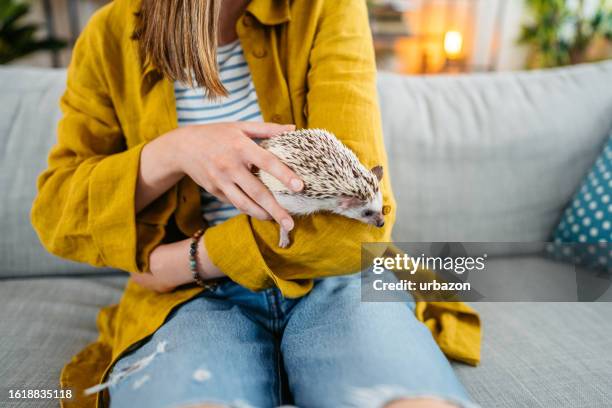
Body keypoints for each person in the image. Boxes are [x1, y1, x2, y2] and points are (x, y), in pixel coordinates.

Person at [31, 0, 479, 407]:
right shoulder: (108, 36)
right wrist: (173, 152)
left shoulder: (326, 8)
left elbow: (359, 228)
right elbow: (57, 215)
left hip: (329, 277)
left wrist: (186, 259)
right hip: (191, 302)